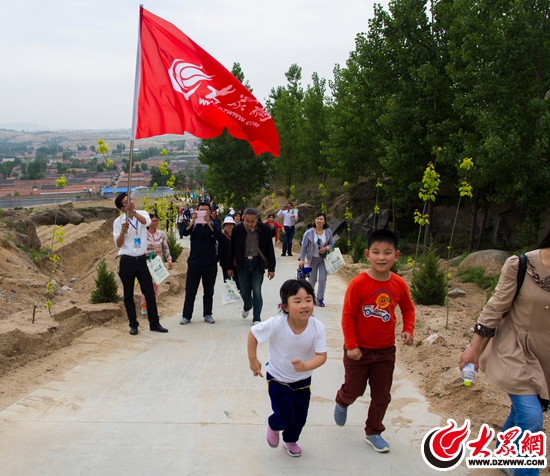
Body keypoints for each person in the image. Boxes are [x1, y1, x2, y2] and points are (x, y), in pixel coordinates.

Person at [459, 231, 550, 476]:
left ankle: (504, 454)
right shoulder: (522, 265)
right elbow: (495, 306)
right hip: (516, 349)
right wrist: (474, 348)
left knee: (526, 410)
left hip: (547, 356)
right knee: (531, 418)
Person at [333, 229, 414, 453]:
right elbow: (348, 315)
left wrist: (408, 329)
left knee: (382, 395)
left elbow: (408, 308)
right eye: (376, 252)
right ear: (367, 254)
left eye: (387, 253)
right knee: (354, 389)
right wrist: (351, 346)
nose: (381, 257)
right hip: (358, 351)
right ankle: (342, 400)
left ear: (396, 256)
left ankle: (374, 431)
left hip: (386, 351)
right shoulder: (358, 283)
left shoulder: (399, 284)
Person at [248, 279, 327, 457]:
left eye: (308, 299)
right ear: (285, 306)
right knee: (285, 416)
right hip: (278, 379)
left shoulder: (317, 328)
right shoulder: (276, 324)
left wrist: (306, 365)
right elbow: (253, 333)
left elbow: (322, 356)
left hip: (303, 382)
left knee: (299, 418)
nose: (304, 305)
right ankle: (274, 424)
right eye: (297, 301)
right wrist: (253, 359)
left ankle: (290, 440)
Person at [112, 193, 168, 335]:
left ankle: (154, 323)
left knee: (149, 292)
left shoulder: (141, 214)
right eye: (126, 202)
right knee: (128, 295)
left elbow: (146, 223)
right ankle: (133, 324)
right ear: (122, 207)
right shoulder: (118, 222)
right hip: (127, 260)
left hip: (141, 260)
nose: (130, 202)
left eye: (130, 200)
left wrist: (134, 212)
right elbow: (119, 244)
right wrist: (123, 233)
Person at [227, 207, 275, 325]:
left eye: (252, 221)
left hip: (257, 264)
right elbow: (231, 249)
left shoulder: (265, 230)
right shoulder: (237, 229)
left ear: (257, 219)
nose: (249, 224)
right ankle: (248, 304)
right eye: (246, 220)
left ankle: (257, 318)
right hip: (242, 264)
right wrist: (229, 267)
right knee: (244, 290)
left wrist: (271, 268)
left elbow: (270, 249)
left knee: (257, 290)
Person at [180, 201, 224, 325]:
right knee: (190, 290)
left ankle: (208, 314)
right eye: (201, 210)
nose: (203, 212)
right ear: (197, 211)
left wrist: (209, 223)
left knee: (209, 290)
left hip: (210, 263)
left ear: (210, 212)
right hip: (194, 262)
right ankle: (186, 315)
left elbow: (219, 236)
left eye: (206, 210)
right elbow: (184, 232)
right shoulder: (193, 225)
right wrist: (193, 221)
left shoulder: (214, 224)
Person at [299, 212, 334, 307]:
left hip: (323, 259)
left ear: (324, 221)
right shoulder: (309, 233)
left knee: (322, 279)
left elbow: (331, 244)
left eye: (321, 219)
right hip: (312, 259)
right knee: (312, 280)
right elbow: (304, 246)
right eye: (317, 218)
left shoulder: (328, 232)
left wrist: (326, 248)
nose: (319, 221)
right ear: (315, 220)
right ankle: (309, 297)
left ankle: (320, 299)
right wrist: (301, 259)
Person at [140, 213, 173, 315]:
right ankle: (144, 306)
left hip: (157, 264)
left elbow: (165, 247)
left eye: (156, 221)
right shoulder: (143, 234)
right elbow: (139, 249)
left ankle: (153, 307)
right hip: (146, 263)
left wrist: (169, 259)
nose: (155, 223)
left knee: (155, 287)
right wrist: (147, 253)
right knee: (146, 286)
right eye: (153, 221)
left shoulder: (161, 234)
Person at [218, 215, 239, 289]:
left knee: (238, 281)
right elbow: (219, 249)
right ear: (224, 226)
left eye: (231, 224)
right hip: (225, 263)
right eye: (227, 224)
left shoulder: (237, 236)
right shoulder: (221, 236)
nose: (229, 226)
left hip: (237, 263)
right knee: (227, 281)